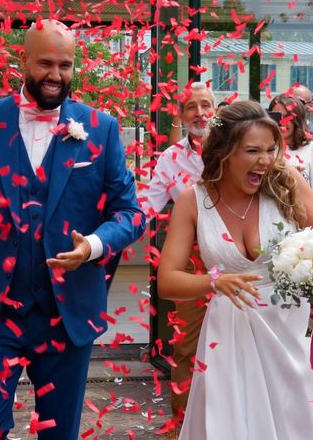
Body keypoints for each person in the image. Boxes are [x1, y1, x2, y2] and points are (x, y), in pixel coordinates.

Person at [0, 20, 146, 439]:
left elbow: (130, 214)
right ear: (23, 60)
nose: (56, 76)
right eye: (45, 64)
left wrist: (92, 245)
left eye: (65, 65)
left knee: (59, 434)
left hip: (66, 313)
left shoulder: (101, 129)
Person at [157, 101, 313, 439]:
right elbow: (167, 280)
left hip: (292, 331)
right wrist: (215, 281)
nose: (265, 160)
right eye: (252, 151)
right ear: (223, 152)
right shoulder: (193, 202)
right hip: (229, 333)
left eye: (270, 149)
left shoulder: (287, 184)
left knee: (295, 425)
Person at [140, 82, 215, 430]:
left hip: (240, 259)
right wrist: (105, 232)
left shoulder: (235, 147)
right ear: (181, 115)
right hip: (192, 264)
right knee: (186, 348)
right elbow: (146, 205)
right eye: (191, 107)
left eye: (205, 105)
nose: (199, 113)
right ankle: (183, 426)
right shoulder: (171, 158)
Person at [268, 94, 313, 227]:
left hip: (305, 228)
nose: (282, 122)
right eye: (278, 117)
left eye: (287, 117)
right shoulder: (266, 152)